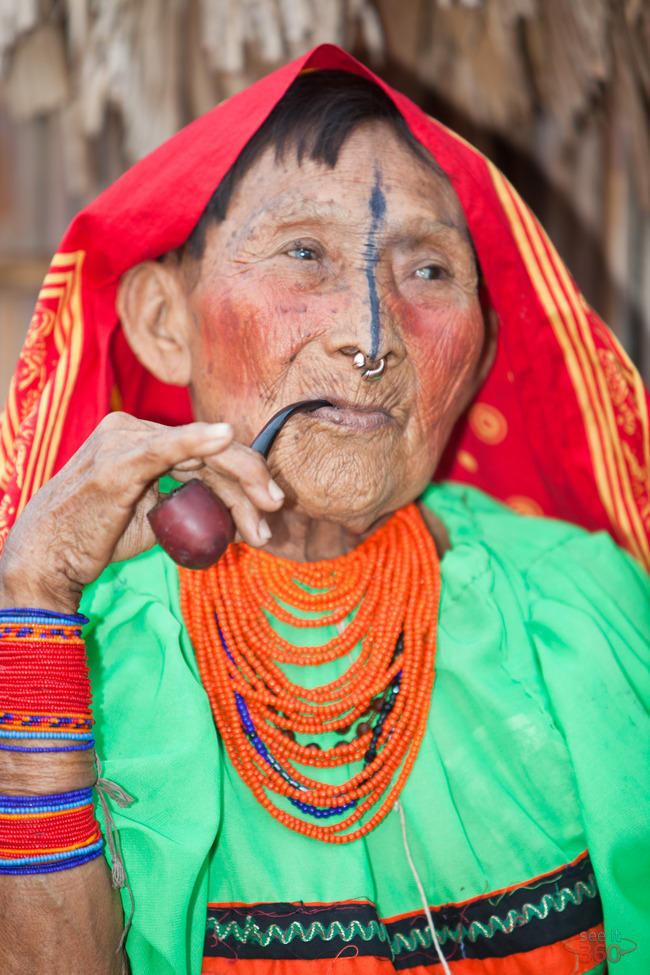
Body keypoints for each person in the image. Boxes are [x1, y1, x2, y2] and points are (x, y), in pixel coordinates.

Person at [0, 44, 649, 975]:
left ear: (482, 347)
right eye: (305, 253)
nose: (372, 336)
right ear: (162, 323)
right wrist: (31, 594)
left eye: (429, 271)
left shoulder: (582, 609)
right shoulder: (82, 658)